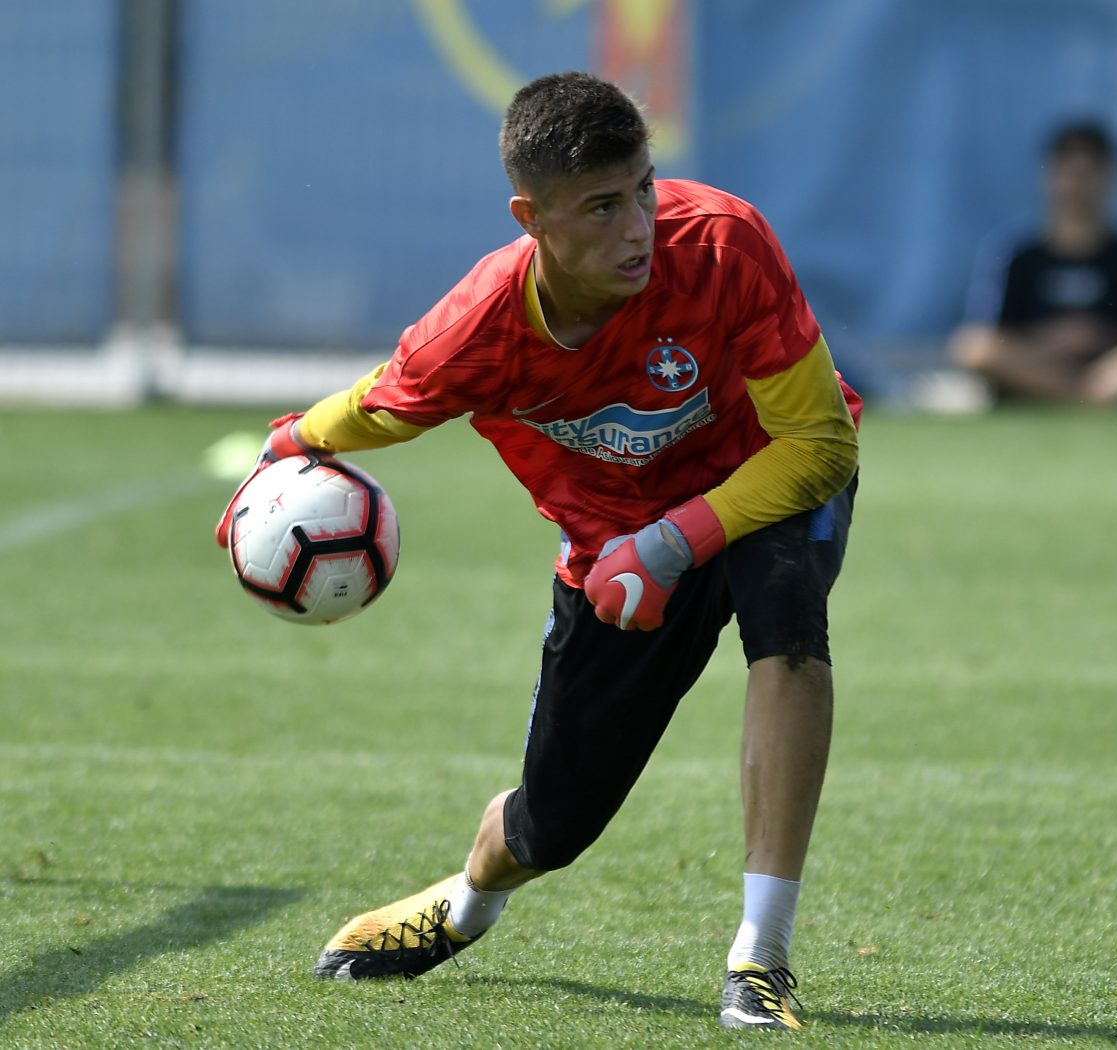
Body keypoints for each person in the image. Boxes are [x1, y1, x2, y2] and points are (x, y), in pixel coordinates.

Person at [215, 72, 860, 1032]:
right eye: (601, 207)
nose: (638, 227)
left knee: (788, 625)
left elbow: (819, 447)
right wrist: (286, 448)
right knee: (551, 824)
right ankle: (465, 903)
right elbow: (383, 405)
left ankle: (759, 959)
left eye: (643, 189)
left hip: (766, 472)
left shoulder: (722, 244)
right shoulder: (478, 330)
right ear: (532, 219)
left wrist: (674, 541)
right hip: (610, 545)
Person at [946, 120, 1117, 405]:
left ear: (1109, 176)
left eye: (1088, 174)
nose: (1077, 185)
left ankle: (1083, 395)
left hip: (1115, 367)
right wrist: (1050, 338)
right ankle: (1087, 397)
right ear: (1048, 175)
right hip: (1042, 365)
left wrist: (1100, 335)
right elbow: (990, 331)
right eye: (1069, 173)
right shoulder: (1017, 255)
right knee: (973, 346)